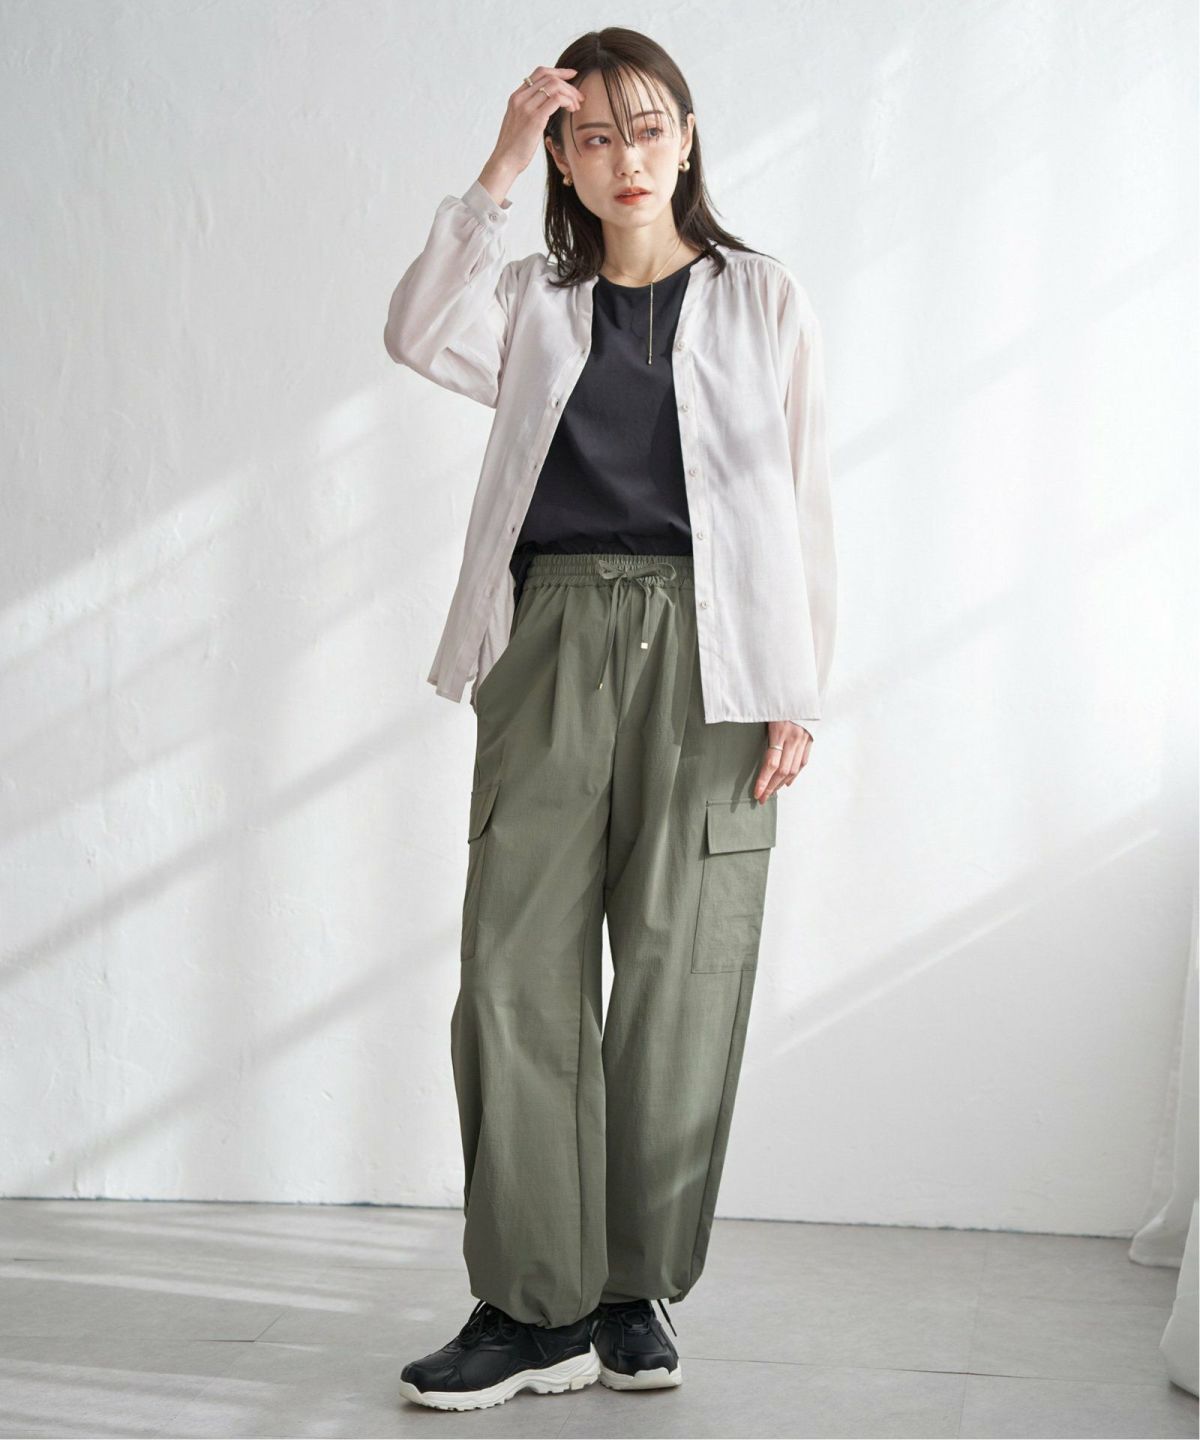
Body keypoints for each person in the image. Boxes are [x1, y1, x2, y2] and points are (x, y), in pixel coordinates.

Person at [385, 25, 837, 1414]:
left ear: (687, 140)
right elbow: (415, 329)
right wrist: (496, 163)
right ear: (566, 163)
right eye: (592, 137)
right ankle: (532, 1308)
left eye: (647, 129)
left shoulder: (762, 298)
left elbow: (804, 493)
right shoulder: (534, 300)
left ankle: (630, 1290)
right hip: (551, 636)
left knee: (682, 969)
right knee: (514, 969)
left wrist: (798, 683)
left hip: (717, 653)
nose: (625, 158)